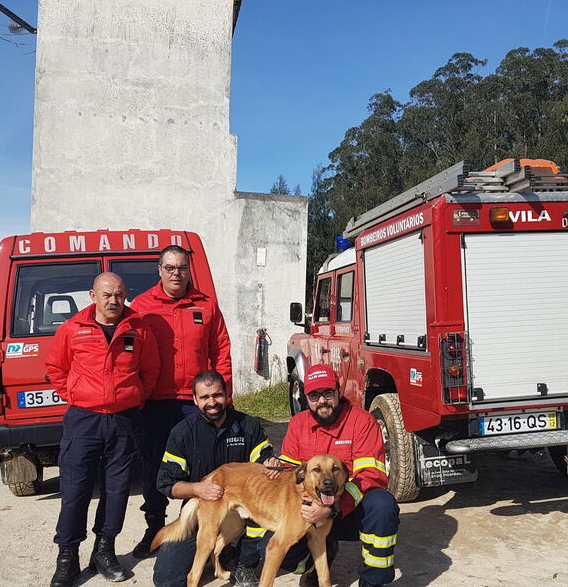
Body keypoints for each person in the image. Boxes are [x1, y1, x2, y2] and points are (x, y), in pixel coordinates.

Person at [45, 272, 160, 587]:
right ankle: (67, 559)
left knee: (117, 490)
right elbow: (56, 368)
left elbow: (150, 370)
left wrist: (134, 395)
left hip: (124, 421)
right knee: (75, 490)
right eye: (107, 294)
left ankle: (104, 552)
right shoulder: (72, 329)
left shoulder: (138, 328)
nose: (114, 300)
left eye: (120, 294)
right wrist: (76, 394)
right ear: (93, 296)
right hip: (84, 420)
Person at [128, 245, 233, 558]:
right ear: (159, 270)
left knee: (204, 466)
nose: (176, 273)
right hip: (155, 402)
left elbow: (221, 351)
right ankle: (154, 527)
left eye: (182, 268)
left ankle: (201, 527)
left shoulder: (206, 305)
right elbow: (130, 352)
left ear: (189, 270)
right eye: (170, 268)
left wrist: (222, 395)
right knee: (154, 467)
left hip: (195, 404)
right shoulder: (142, 305)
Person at [256, 364, 399, 587]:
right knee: (267, 546)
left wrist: (333, 509)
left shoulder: (362, 422)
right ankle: (316, 566)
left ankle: (373, 581)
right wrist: (277, 465)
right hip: (308, 511)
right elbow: (291, 473)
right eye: (314, 395)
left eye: (327, 393)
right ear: (306, 398)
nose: (322, 401)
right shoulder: (297, 424)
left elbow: (371, 476)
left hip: (350, 509)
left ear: (338, 391)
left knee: (382, 505)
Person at [151, 370, 279, 587]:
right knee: (166, 579)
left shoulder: (249, 426)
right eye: (204, 397)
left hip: (245, 508)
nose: (212, 402)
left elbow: (265, 462)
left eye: (217, 395)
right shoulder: (182, 433)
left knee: (265, 515)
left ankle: (243, 563)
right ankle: (218, 550)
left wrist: (271, 464)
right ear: (194, 399)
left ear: (227, 394)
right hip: (204, 506)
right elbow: (166, 484)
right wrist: (198, 489)